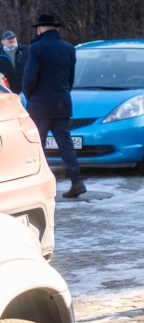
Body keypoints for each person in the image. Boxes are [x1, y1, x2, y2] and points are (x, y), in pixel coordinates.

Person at [21, 14, 85, 198]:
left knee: (36, 146)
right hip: (62, 103)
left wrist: (30, 97)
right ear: (57, 29)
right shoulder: (69, 49)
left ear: (39, 30)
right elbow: (70, 79)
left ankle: (36, 185)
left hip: (40, 106)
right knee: (66, 144)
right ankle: (77, 181)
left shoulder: (36, 49)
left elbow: (29, 79)